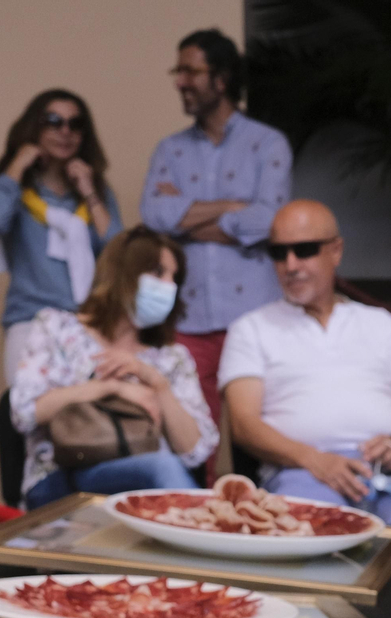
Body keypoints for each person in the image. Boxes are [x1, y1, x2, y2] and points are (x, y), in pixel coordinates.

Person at [219, 200, 391, 539]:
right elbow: (243, 424)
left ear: (336, 251)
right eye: (279, 253)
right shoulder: (251, 329)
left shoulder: (385, 325)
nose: (290, 265)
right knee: (306, 560)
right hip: (302, 472)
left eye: (305, 250)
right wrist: (315, 460)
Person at [142, 28, 291, 428]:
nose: (180, 82)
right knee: (191, 434)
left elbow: (269, 221)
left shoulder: (268, 144)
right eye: (178, 72)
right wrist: (232, 206)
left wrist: (184, 220)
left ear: (221, 79)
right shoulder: (170, 150)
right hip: (188, 318)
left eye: (190, 72)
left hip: (255, 317)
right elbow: (154, 215)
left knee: (259, 433)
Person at [10, 226, 218, 509]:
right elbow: (24, 413)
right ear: (124, 273)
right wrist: (112, 388)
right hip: (64, 477)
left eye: (174, 277)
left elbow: (195, 451)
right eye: (158, 272)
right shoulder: (55, 327)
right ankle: (201, 530)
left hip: (148, 480)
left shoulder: (172, 357)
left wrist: (157, 385)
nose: (169, 286)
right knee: (160, 467)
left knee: (162, 467)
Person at [0, 90, 122, 384]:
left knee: (90, 411)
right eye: (53, 121)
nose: (65, 131)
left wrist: (89, 191)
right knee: (31, 410)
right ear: (35, 128)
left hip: (88, 324)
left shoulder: (95, 191)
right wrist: (18, 164)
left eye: (75, 124)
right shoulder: (13, 189)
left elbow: (119, 252)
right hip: (30, 322)